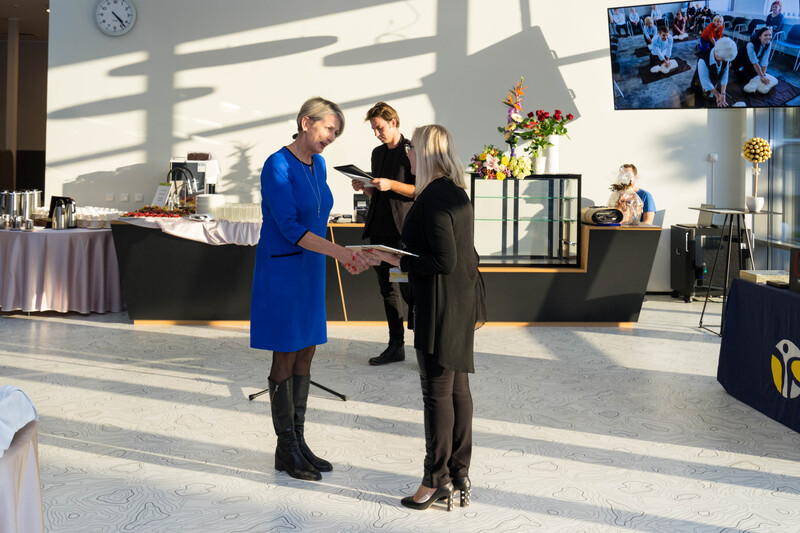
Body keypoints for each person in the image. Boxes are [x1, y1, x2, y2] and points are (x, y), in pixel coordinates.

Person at [250, 97, 377, 481]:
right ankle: (286, 446)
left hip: (310, 270)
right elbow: (289, 227)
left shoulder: (318, 164)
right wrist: (341, 253)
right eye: (328, 129)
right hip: (283, 271)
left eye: (336, 132)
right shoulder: (277, 164)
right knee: (286, 355)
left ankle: (298, 443)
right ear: (306, 122)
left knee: (306, 351)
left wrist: (342, 253)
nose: (332, 137)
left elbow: (318, 218)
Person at [371, 125, 481, 512]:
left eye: (412, 149)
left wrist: (396, 259)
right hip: (459, 302)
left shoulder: (433, 198)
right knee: (457, 390)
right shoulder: (454, 191)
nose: (407, 155)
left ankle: (435, 481)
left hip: (439, 305)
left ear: (428, 154)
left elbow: (442, 260)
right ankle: (458, 472)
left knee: (437, 394)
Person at [351, 102, 416, 365]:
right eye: (374, 130)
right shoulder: (377, 153)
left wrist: (391, 184)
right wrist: (365, 187)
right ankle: (395, 346)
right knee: (387, 289)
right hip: (380, 229)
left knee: (411, 290)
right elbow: (379, 195)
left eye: (380, 128)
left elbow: (417, 190)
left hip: (404, 231)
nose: (377, 134)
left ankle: (426, 348)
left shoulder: (412, 150)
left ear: (393, 122)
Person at [690, 37, 737, 108]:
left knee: (712, 100)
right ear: (717, 54)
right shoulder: (703, 60)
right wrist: (718, 95)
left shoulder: (725, 57)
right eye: (724, 59)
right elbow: (705, 82)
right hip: (700, 85)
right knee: (700, 103)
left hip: (713, 84)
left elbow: (725, 74)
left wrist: (723, 94)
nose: (726, 61)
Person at [734, 27, 778, 94]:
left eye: (770, 35)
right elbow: (755, 63)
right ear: (759, 37)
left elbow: (764, 61)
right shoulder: (750, 45)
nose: (768, 37)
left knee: (756, 75)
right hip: (741, 60)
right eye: (765, 35)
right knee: (744, 79)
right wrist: (762, 76)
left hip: (751, 61)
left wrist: (763, 75)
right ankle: (732, 65)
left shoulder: (768, 44)